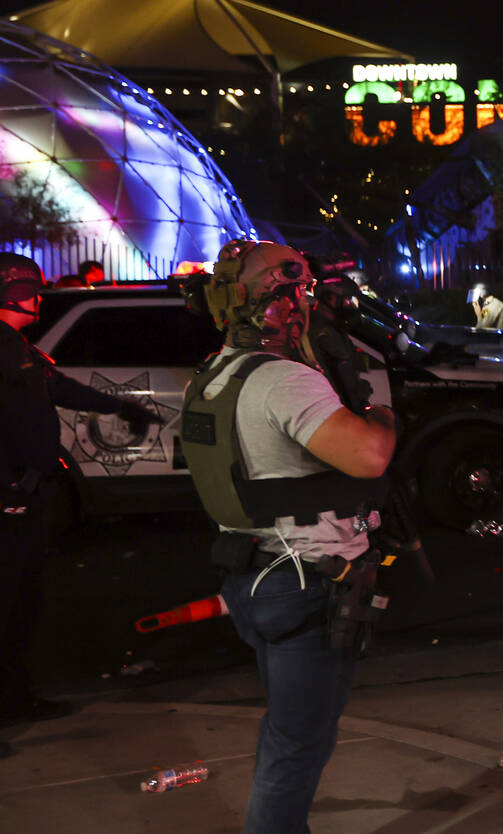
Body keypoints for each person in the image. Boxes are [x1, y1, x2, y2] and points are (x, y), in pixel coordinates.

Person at [178, 240, 396, 833]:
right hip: (307, 583)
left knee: (286, 733)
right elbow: (371, 455)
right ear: (261, 302)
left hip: (255, 573)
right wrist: (378, 412)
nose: (301, 304)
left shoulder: (213, 374)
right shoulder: (282, 382)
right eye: (291, 292)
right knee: (297, 747)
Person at [0, 253, 160, 755]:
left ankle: (15, 700)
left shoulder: (16, 346)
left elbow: (58, 387)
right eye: (29, 288)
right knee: (4, 606)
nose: (38, 297)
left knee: (22, 606)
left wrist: (120, 406)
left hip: (30, 493)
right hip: (8, 499)